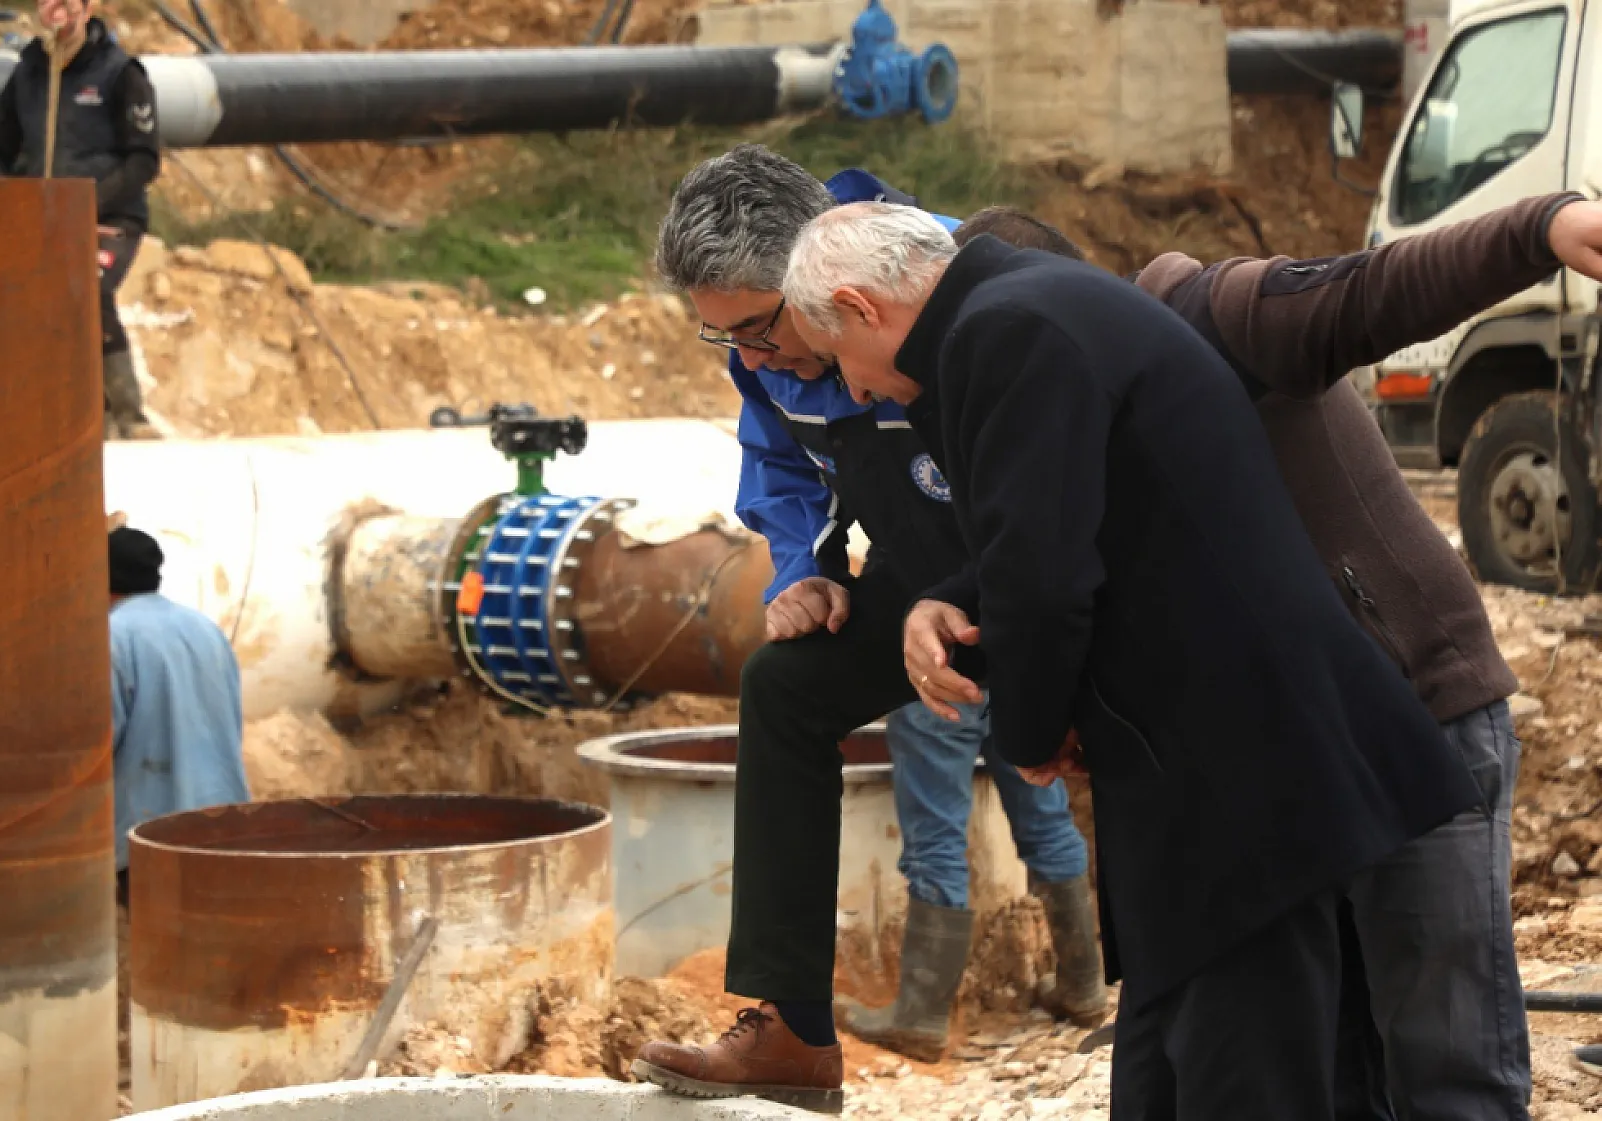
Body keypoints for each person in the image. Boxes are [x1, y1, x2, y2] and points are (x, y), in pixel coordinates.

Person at [778, 200, 1486, 1119]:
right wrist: (950, 598)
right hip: (1215, 771)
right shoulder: (1029, 305)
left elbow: (1045, 573)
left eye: (838, 363)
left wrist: (1032, 731)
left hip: (1235, 780)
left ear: (861, 305)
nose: (857, 390)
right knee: (1170, 1070)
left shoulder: (1004, 333)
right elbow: (1053, 522)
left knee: (1246, 1075)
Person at [940, 199, 1602, 1121]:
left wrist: (1538, 229)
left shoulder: (1207, 314)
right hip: (1297, 758)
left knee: (1446, 1061)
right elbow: (1045, 557)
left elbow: (1371, 292)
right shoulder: (1065, 402)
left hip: (1418, 707)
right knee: (1334, 1068)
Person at [632, 147, 1101, 1107]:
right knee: (786, 688)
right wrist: (804, 571)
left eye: (758, 332)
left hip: (1041, 555)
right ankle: (795, 1034)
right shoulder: (767, 354)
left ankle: (1162, 976)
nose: (753, 363)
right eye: (726, 344)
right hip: (918, 571)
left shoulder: (926, 283)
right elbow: (779, 468)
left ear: (831, 286)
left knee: (1088, 731)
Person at [0, 0, 162, 440]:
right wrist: (9, 204)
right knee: (25, 300)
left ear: (88, 7)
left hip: (109, 218)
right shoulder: (27, 73)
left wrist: (84, 207)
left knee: (87, 286)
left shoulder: (121, 74)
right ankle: (74, 416)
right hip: (41, 219)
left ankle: (129, 414)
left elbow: (143, 160)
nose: (56, 9)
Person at [108, 524, 249, 906]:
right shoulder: (205, 628)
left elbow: (100, 740)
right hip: (225, 820)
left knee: (166, 949)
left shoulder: (112, 636)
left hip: (154, 828)